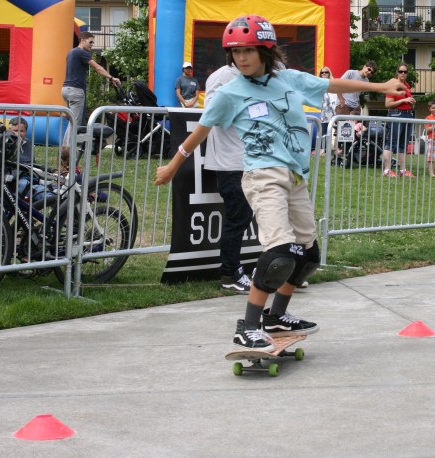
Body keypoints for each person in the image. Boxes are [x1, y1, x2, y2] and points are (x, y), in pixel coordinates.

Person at [154, 14, 405, 352]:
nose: (241, 58)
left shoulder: (288, 79)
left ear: (266, 50)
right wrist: (172, 167)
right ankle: (248, 326)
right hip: (263, 176)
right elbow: (201, 131)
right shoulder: (229, 93)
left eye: (248, 50)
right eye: (235, 52)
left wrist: (382, 87)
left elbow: (331, 86)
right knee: (280, 254)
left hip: (295, 176)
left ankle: (276, 316)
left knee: (307, 255)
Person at [204, 64, 253, 294]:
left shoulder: (253, 74)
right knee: (238, 217)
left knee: (245, 216)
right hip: (230, 162)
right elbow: (210, 114)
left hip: (248, 160)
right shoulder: (222, 76)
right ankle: (230, 273)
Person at [62, 32, 120, 145]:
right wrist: (111, 78)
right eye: (90, 42)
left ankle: (66, 149)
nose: (92, 45)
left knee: (72, 121)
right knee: (75, 123)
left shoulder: (71, 52)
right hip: (76, 91)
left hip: (66, 89)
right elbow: (98, 68)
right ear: (82, 41)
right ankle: (68, 151)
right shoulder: (81, 52)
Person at [381, 62, 415, 178]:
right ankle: (387, 170)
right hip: (396, 114)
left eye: (405, 72)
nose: (403, 73)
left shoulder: (407, 86)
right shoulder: (393, 85)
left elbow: (406, 101)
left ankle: (402, 170)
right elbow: (388, 104)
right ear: (397, 73)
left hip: (408, 114)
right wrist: (403, 101)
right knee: (391, 142)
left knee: (403, 144)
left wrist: (411, 102)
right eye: (401, 71)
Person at [318, 66, 338, 155]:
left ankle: (337, 148)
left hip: (334, 110)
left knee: (336, 130)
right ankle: (323, 149)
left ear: (329, 73)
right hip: (324, 111)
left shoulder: (333, 83)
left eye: (326, 72)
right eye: (322, 72)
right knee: (324, 130)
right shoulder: (318, 83)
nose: (324, 74)